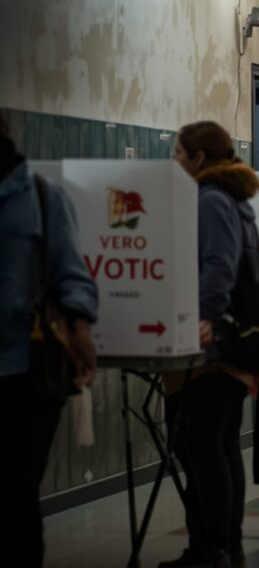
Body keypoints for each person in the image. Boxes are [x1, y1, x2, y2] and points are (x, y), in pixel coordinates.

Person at [0, 116, 98, 568]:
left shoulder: (41, 198)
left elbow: (71, 275)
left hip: (28, 372)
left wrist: (80, 334)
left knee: (16, 495)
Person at [166, 120, 259, 568]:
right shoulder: (235, 198)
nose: (173, 162)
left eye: (177, 154)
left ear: (198, 159)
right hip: (235, 341)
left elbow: (218, 267)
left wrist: (201, 317)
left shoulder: (210, 199)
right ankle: (223, 545)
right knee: (219, 445)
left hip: (216, 343)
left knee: (202, 446)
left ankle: (211, 548)